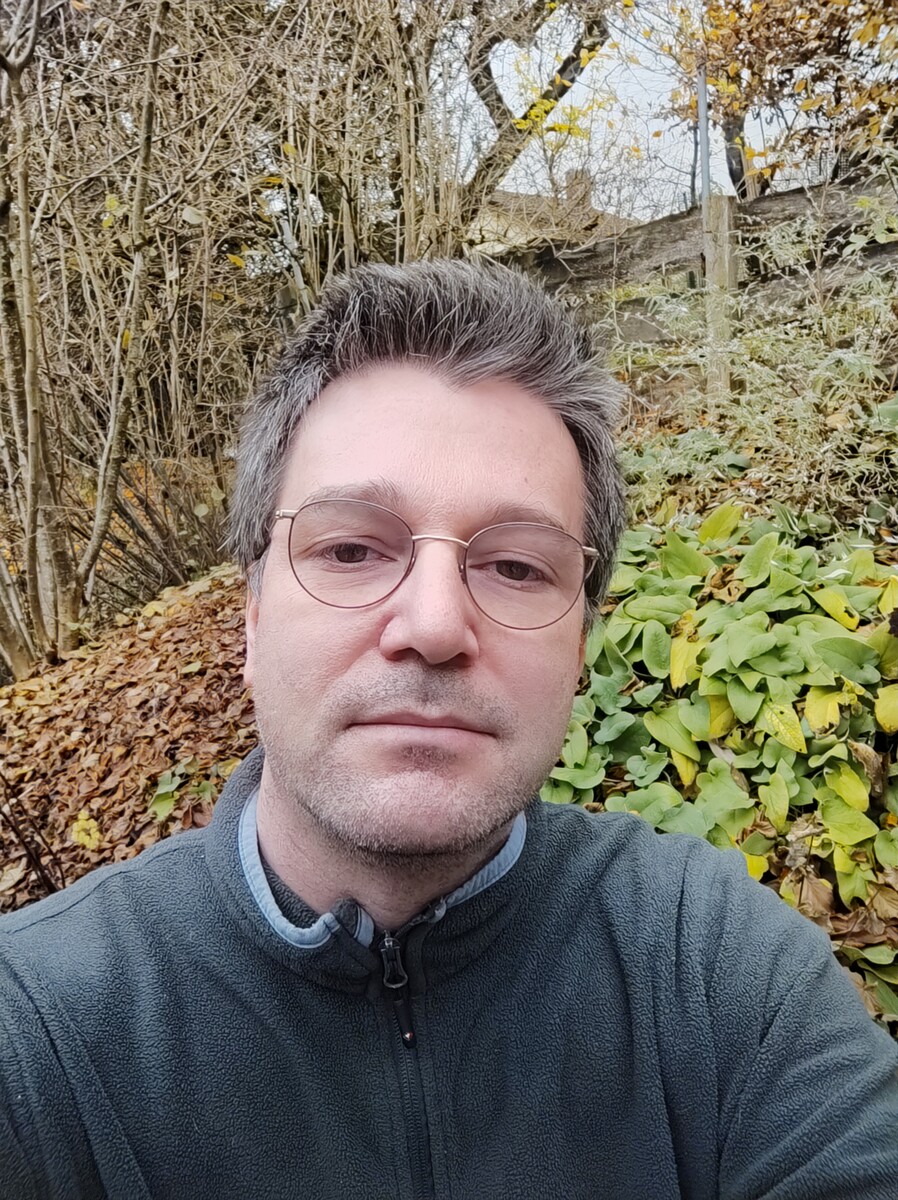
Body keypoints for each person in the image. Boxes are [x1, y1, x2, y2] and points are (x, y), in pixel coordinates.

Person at [1, 259, 896, 1200]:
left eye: (516, 567)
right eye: (351, 548)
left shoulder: (718, 974)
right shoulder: (37, 1032)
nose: (434, 625)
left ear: (579, 646)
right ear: (252, 621)